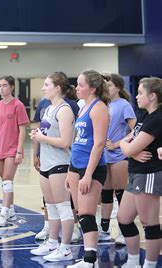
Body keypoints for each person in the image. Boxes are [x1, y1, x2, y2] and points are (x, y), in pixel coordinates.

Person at [29, 72, 75, 262]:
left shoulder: (64, 110)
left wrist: (42, 138)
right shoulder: (48, 108)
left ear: (58, 88)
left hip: (60, 163)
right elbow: (47, 133)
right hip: (47, 163)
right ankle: (52, 242)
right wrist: (38, 136)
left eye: (47, 84)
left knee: (63, 207)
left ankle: (66, 248)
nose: (43, 88)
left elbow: (65, 141)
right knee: (51, 206)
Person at [66, 70, 109, 268]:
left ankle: (90, 260)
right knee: (79, 212)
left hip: (91, 169)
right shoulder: (82, 107)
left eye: (81, 85)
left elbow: (99, 144)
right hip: (76, 166)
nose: (77, 88)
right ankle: (88, 257)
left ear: (92, 88)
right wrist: (70, 170)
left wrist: (88, 174)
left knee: (86, 214)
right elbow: (77, 142)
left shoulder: (98, 108)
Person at [118, 77, 162, 268]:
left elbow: (128, 148)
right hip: (136, 173)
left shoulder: (157, 118)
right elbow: (126, 142)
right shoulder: (144, 115)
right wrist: (128, 149)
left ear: (152, 96)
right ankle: (134, 261)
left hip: (149, 174)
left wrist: (128, 149)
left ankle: (150, 265)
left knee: (149, 223)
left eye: (140, 93)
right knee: (123, 218)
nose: (136, 96)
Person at [99, 73, 136, 245]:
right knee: (105, 193)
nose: (107, 88)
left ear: (119, 88)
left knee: (121, 194)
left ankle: (123, 230)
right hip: (103, 155)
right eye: (105, 85)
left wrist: (117, 144)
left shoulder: (124, 105)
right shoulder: (102, 104)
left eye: (111, 85)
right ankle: (104, 230)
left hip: (119, 155)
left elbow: (136, 131)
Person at [0, 76, 30, 227]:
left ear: (12, 87)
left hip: (12, 148)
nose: (1, 88)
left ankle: (3, 213)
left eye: (5, 85)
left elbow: (22, 129)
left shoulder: (18, 105)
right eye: (0, 86)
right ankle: (11, 210)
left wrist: (19, 150)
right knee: (6, 182)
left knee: (7, 179)